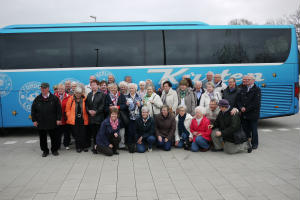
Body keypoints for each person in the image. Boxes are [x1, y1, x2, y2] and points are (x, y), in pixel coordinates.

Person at [31, 82, 62, 157]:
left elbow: (59, 110)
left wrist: (58, 119)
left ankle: (54, 150)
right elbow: (33, 110)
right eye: (41, 88)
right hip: (41, 122)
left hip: (52, 122)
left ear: (48, 88)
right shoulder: (37, 99)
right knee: (42, 138)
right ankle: (45, 151)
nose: (43, 89)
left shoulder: (54, 98)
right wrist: (34, 120)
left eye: (44, 88)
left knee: (54, 137)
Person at [237, 75, 261, 150]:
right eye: (246, 79)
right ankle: (246, 143)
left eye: (248, 79)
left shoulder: (257, 89)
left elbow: (256, 103)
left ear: (253, 80)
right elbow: (239, 100)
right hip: (244, 113)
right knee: (245, 130)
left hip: (253, 113)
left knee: (254, 130)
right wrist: (241, 107)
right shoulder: (243, 88)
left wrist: (246, 109)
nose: (247, 81)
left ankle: (255, 144)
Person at [66, 87, 89, 153]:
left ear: (81, 93)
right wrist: (69, 116)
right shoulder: (71, 99)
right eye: (76, 93)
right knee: (76, 134)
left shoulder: (85, 99)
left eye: (79, 93)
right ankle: (78, 147)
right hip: (74, 119)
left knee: (83, 133)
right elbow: (67, 110)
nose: (78, 94)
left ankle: (84, 146)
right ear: (74, 93)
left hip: (83, 119)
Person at [105, 83, 128, 148]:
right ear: (109, 89)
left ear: (117, 88)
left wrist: (118, 107)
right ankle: (113, 144)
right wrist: (109, 108)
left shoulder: (121, 95)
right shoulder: (107, 96)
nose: (113, 89)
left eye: (114, 88)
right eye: (111, 88)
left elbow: (125, 106)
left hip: (120, 116)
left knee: (121, 131)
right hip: (111, 116)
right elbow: (105, 107)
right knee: (111, 130)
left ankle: (121, 144)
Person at [85, 80, 105, 153]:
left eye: (95, 85)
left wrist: (96, 112)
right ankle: (95, 147)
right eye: (92, 85)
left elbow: (102, 105)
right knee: (93, 134)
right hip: (91, 117)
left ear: (98, 86)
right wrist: (89, 111)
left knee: (99, 133)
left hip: (99, 117)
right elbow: (86, 105)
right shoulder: (89, 94)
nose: (93, 86)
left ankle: (99, 147)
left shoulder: (102, 94)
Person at [125, 83, 143, 153]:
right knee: (130, 132)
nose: (131, 89)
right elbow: (123, 107)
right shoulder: (126, 97)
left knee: (136, 131)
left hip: (137, 117)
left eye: (132, 88)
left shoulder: (139, 97)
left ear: (135, 89)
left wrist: (140, 105)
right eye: (130, 88)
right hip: (129, 117)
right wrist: (126, 105)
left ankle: (136, 145)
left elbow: (142, 106)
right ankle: (130, 146)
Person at [54, 84, 71, 150]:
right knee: (57, 133)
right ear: (57, 89)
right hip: (57, 118)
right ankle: (57, 145)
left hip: (66, 118)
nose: (60, 90)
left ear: (64, 90)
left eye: (62, 89)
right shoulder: (54, 96)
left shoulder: (69, 96)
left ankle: (66, 144)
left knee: (67, 133)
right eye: (59, 89)